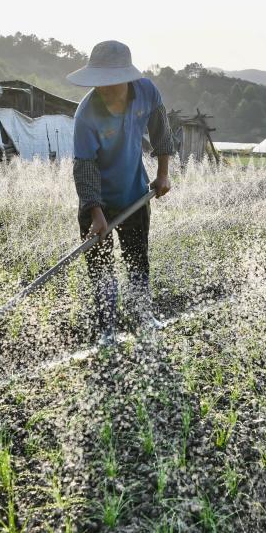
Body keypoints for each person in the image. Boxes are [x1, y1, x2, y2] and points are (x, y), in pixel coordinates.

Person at [66, 40, 174, 342]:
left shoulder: (147, 93)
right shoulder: (86, 114)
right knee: (100, 267)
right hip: (96, 202)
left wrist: (163, 175)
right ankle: (107, 329)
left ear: (126, 78)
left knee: (137, 259)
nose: (103, 88)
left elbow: (161, 132)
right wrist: (96, 214)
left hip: (135, 195)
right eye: (98, 82)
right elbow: (84, 167)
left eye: (110, 82)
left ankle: (142, 314)